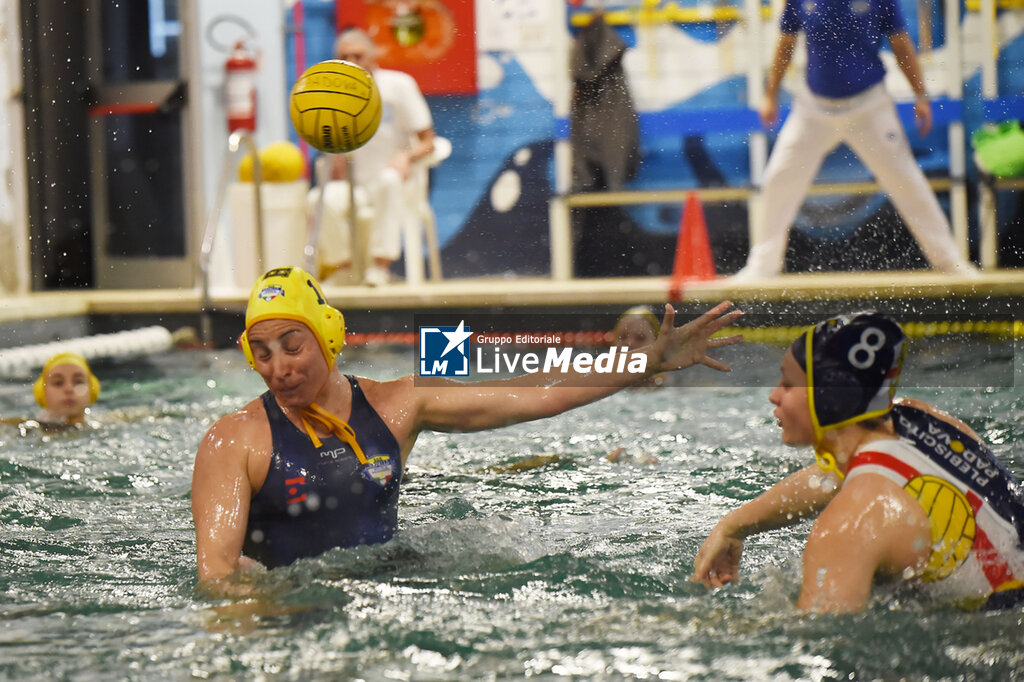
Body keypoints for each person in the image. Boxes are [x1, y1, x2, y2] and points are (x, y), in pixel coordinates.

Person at [191, 266, 743, 587]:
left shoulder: (397, 405)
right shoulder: (234, 440)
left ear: (327, 336)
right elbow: (217, 578)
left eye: (292, 346)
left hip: (385, 595)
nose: (278, 368)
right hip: (289, 616)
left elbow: (532, 392)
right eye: (261, 352)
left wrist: (641, 361)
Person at [690, 312, 1024, 612]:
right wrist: (733, 526)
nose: (773, 395)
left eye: (789, 384)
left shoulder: (847, 525)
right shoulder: (924, 420)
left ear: (830, 397)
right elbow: (830, 478)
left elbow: (820, 640)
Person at [731, 0, 979, 280]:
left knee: (907, 181)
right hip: (814, 108)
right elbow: (786, 42)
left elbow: (900, 42)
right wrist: (770, 95)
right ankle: (762, 267)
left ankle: (950, 262)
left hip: (870, 107)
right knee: (778, 179)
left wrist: (920, 94)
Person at [316, 28, 436, 287]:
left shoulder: (398, 85)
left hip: (396, 181)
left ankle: (379, 267)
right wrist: (334, 157)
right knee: (319, 199)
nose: (352, 62)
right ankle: (345, 268)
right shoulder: (332, 96)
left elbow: (428, 141)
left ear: (373, 56)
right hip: (356, 186)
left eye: (358, 56)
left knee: (389, 181)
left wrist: (406, 155)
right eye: (344, 57)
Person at [1, 352, 101, 428]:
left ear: (92, 390)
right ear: (43, 392)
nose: (69, 389)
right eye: (58, 383)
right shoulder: (27, 428)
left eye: (78, 382)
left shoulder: (103, 423)